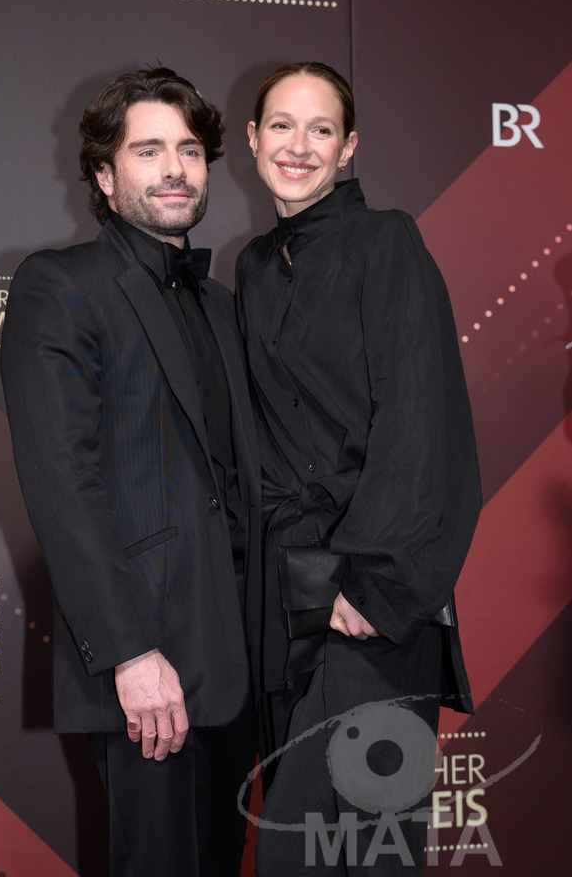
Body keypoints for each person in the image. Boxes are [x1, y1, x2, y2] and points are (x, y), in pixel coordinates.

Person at [0, 67, 260, 877]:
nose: (175, 168)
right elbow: (60, 484)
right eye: (148, 151)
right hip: (145, 662)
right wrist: (129, 652)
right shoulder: (61, 286)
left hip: (237, 657)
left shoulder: (220, 304)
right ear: (107, 180)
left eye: (188, 150)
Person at [235, 62, 482, 875]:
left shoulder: (387, 241)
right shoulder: (253, 268)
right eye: (280, 125)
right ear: (251, 139)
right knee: (295, 845)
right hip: (285, 593)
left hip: (372, 595)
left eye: (319, 129)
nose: (296, 145)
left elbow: (422, 419)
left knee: (366, 846)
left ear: (348, 148)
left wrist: (375, 586)